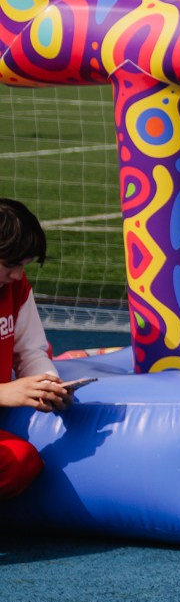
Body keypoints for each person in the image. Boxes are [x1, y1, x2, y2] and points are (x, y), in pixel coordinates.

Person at [0, 199, 69, 500]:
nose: (18, 275)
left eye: (24, 265)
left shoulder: (15, 287)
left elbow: (30, 350)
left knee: (21, 461)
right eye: (11, 265)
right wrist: (3, 393)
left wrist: (48, 384)